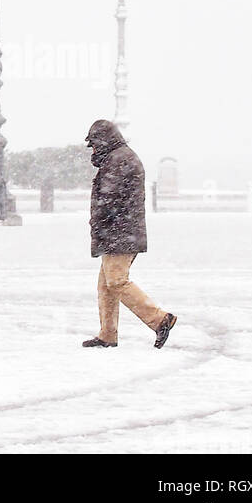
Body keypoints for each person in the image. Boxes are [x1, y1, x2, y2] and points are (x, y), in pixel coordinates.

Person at [84, 118, 177, 349]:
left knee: (116, 281)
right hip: (121, 231)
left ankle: (159, 319)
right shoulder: (119, 157)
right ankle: (107, 334)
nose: (93, 150)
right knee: (106, 285)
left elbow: (109, 200)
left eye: (94, 144)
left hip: (119, 233)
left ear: (104, 140)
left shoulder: (118, 160)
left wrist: (99, 222)